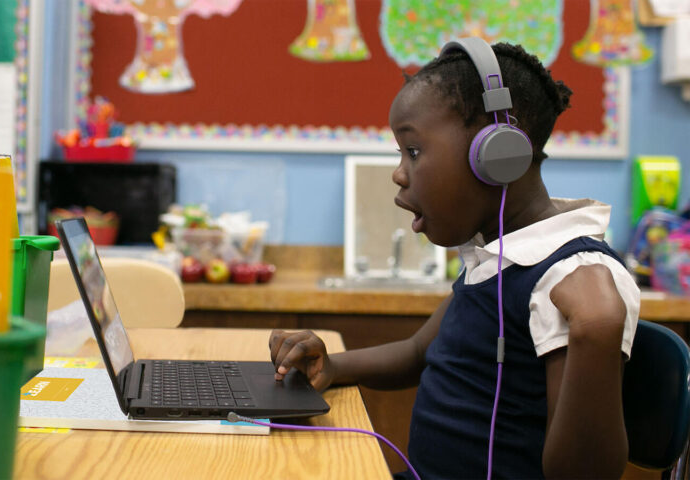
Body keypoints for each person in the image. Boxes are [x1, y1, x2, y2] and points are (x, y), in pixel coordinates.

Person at [269, 40, 640, 479]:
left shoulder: (570, 278)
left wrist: (597, 332)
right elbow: (416, 352)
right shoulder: (497, 255)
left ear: (497, 155)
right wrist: (331, 365)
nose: (399, 173)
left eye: (413, 151)